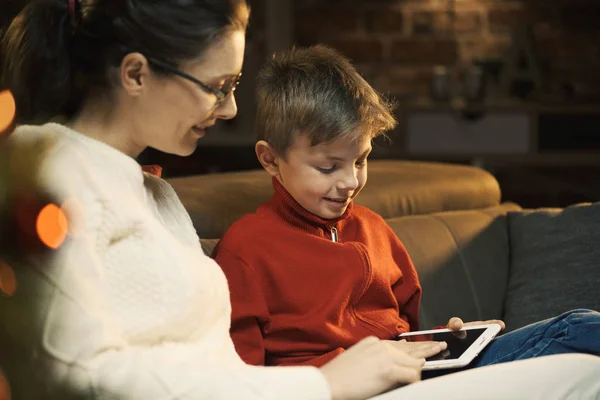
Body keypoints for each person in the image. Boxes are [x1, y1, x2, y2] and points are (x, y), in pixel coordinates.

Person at [0, 0, 598, 399]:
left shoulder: (152, 191)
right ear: (135, 74)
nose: (230, 108)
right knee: (580, 370)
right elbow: (74, 375)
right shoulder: (46, 175)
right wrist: (326, 383)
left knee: (581, 361)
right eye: (218, 86)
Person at [212, 45, 600, 371]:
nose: (350, 181)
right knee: (571, 335)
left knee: (579, 342)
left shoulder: (375, 230)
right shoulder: (246, 248)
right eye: (328, 167)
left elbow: (401, 330)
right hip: (345, 387)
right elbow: (244, 378)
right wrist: (354, 365)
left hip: (417, 377)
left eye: (361, 160)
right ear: (270, 159)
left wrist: (440, 340)